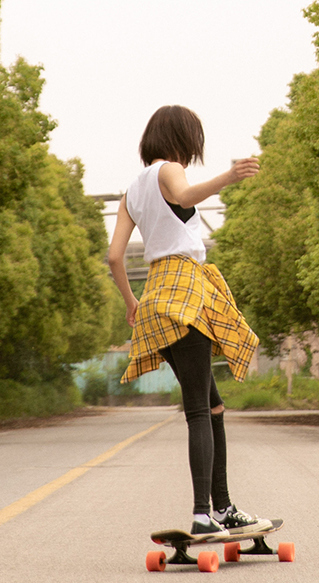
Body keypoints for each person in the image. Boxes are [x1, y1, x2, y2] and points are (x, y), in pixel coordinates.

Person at [108, 105, 269, 538]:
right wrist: (229, 178)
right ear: (182, 138)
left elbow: (114, 256)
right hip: (184, 292)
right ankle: (203, 513)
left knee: (211, 405)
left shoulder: (131, 191)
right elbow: (182, 197)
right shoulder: (170, 169)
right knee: (200, 410)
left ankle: (224, 507)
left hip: (156, 297)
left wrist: (131, 302)